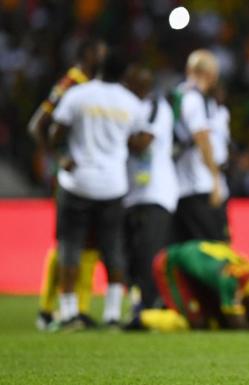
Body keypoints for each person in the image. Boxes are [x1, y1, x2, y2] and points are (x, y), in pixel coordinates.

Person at [49, 50, 147, 329]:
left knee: (70, 247)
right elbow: (138, 143)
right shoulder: (131, 102)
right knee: (113, 249)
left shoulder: (78, 95)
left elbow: (55, 133)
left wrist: (62, 156)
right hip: (113, 185)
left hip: (77, 181)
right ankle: (113, 315)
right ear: (124, 74)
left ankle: (69, 314)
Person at [30, 38, 107, 330]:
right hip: (73, 179)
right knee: (67, 243)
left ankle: (80, 310)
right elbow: (38, 124)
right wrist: (57, 158)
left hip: (95, 177)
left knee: (89, 243)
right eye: (99, 50)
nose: (103, 55)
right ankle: (47, 309)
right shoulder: (71, 83)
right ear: (86, 53)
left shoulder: (92, 85)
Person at [125, 240, 249, 331]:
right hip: (171, 263)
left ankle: (167, 305)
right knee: (196, 323)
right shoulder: (231, 282)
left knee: (215, 320)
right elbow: (238, 325)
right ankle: (141, 316)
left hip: (198, 264)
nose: (241, 309)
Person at [123, 65, 177, 315]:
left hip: (156, 192)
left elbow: (143, 143)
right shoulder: (125, 108)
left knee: (149, 252)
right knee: (130, 255)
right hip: (128, 192)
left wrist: (111, 137)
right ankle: (141, 303)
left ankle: (152, 305)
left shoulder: (156, 107)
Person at [171, 49, 228, 243]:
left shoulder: (181, 96)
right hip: (198, 185)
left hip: (184, 184)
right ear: (211, 75)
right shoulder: (193, 99)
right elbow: (202, 139)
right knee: (213, 248)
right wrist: (215, 180)